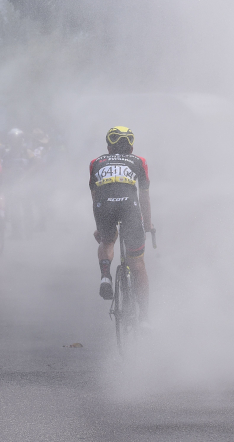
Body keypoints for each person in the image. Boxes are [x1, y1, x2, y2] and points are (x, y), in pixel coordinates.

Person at [89, 126, 153, 321]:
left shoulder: (96, 162)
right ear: (131, 148)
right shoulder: (139, 161)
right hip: (129, 207)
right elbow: (144, 197)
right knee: (137, 262)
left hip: (103, 206)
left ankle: (106, 276)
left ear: (108, 147)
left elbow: (95, 196)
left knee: (107, 241)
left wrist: (100, 228)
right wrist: (148, 224)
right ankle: (144, 317)